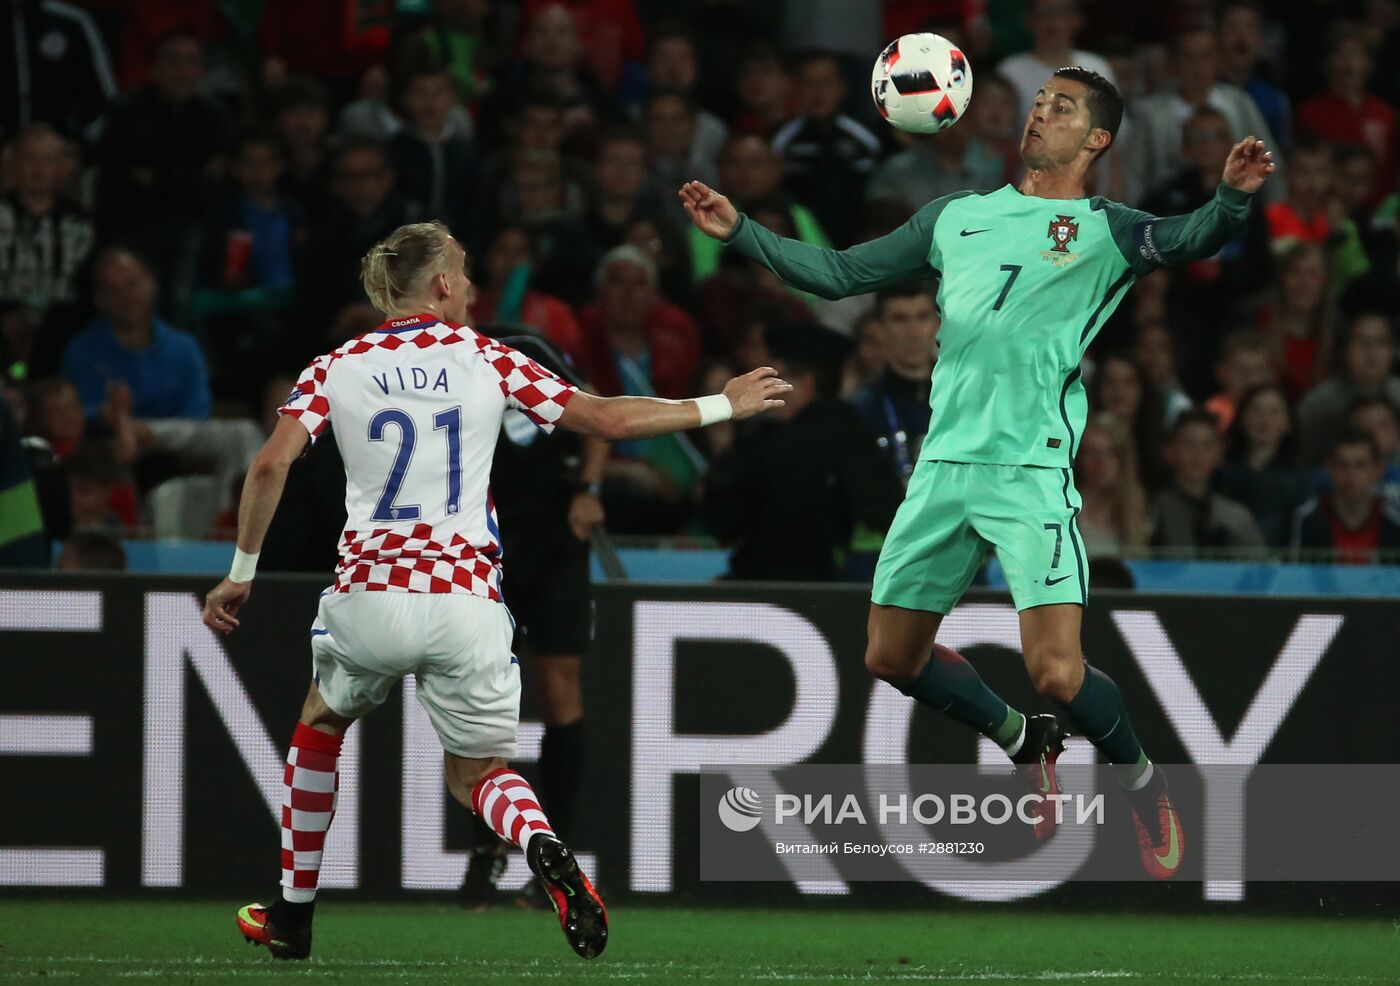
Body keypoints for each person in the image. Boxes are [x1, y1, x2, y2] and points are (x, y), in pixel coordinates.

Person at [681, 64, 1276, 877]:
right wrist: (742, 230)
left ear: (1096, 138)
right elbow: (842, 274)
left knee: (1059, 671)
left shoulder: (1107, 229)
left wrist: (1232, 197)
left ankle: (1139, 776)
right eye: (1038, 102)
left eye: (1061, 107)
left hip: (1029, 469)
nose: (1040, 115)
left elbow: (1194, 237)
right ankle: (1021, 738)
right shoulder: (955, 216)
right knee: (891, 657)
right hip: (943, 467)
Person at [202, 220, 788, 961]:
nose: (474, 285)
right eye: (467, 271)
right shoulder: (489, 357)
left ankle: (293, 913)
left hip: (372, 593)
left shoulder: (336, 365)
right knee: (479, 774)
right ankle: (543, 845)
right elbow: (605, 417)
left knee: (320, 726)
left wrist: (242, 573)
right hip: (469, 602)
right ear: (442, 284)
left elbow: (266, 468)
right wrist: (721, 406)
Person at [703, 323, 902, 581]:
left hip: (787, 586)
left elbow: (724, 522)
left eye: (773, 381)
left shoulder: (782, 444)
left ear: (806, 385)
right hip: (845, 588)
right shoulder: (852, 430)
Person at [60, 248, 212, 420]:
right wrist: (103, 415)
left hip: (175, 445)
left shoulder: (185, 348)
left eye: (132, 284)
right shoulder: (81, 352)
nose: (127, 298)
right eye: (113, 290)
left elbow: (197, 415)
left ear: (152, 283)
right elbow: (75, 415)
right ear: (99, 299)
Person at [771, 50, 882, 247]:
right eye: (809, 84)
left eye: (826, 83)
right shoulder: (781, 140)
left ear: (842, 88)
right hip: (799, 242)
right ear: (796, 89)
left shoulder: (864, 140)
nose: (818, 92)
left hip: (854, 241)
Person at [849, 284, 939, 485]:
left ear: (937, 324)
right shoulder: (861, 409)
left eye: (923, 317)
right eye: (900, 319)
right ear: (880, 328)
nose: (913, 333)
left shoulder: (966, 398)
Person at [1152, 410, 1267, 554]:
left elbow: (1259, 569)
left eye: (1207, 444)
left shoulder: (1236, 517)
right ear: (1168, 451)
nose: (1198, 453)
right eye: (1188, 443)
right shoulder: (1152, 511)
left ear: (1220, 453)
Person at [1297, 312, 1400, 466]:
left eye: (1381, 342)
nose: (1371, 351)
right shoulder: (1318, 403)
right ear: (1345, 351)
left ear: (1392, 352)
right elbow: (1303, 461)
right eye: (1361, 342)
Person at [1217, 383, 1309, 546]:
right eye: (1256, 411)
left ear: (1288, 423)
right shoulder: (1219, 474)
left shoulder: (1302, 480)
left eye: (1274, 412)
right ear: (1242, 418)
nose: (1264, 420)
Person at [1292, 429, 1400, 563]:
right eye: (1342, 465)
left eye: (1360, 466)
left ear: (1377, 471)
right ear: (1328, 468)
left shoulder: (1395, 518)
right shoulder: (1307, 517)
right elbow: (1296, 576)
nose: (1350, 475)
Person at [1074, 412, 1149, 559]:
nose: (1101, 462)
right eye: (1091, 452)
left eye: (1111, 453)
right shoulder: (1065, 510)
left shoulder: (1143, 512)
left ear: (1123, 459)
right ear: (1079, 458)